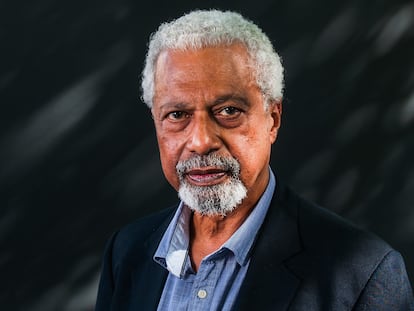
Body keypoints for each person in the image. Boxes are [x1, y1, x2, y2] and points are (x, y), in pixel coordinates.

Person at [95, 9, 414, 310]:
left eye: (229, 111)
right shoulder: (127, 251)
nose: (201, 141)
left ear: (273, 119)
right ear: (156, 121)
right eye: (177, 115)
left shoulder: (362, 275)